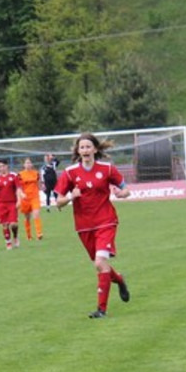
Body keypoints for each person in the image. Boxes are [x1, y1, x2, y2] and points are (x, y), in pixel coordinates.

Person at [55, 132, 131, 318]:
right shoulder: (70, 172)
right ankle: (119, 280)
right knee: (101, 264)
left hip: (106, 221)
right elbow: (58, 202)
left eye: (88, 146)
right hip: (84, 226)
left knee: (99, 262)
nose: (85, 150)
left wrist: (121, 194)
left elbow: (126, 189)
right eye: (82, 147)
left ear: (95, 149)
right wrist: (71, 196)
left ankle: (101, 310)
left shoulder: (107, 169)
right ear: (78, 151)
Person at [0, 160, 21, 249]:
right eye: (0, 167)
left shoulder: (14, 176)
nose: (1, 168)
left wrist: (19, 200)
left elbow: (18, 189)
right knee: (4, 224)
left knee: (13, 224)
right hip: (1, 204)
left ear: (7, 166)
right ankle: (8, 242)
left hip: (12, 203)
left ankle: (15, 236)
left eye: (3, 166)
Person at [18, 157, 44, 241]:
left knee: (36, 214)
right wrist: (21, 194)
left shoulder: (36, 173)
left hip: (35, 197)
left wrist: (42, 188)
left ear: (32, 164)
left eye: (29, 163)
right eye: (27, 163)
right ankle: (28, 235)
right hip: (25, 198)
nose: (28, 164)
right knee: (27, 217)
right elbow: (18, 187)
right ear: (24, 165)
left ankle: (39, 233)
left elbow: (39, 184)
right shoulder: (20, 175)